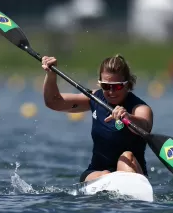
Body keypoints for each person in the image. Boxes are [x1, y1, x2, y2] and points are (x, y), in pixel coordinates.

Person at [42, 54, 153, 182]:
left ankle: (120, 183)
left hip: (130, 171)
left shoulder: (140, 108)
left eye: (117, 86)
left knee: (126, 156)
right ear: (100, 83)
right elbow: (54, 102)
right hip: (96, 173)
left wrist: (127, 117)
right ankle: (110, 180)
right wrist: (51, 75)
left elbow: (144, 126)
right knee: (104, 174)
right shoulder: (95, 99)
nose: (111, 91)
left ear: (127, 84)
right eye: (106, 86)